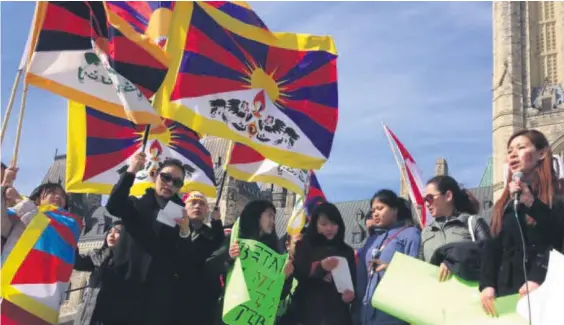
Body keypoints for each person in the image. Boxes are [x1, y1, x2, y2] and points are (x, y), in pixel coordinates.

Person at [105, 153, 198, 325]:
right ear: (155, 176)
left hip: (155, 303)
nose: (169, 184)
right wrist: (131, 170)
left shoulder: (179, 216)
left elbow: (184, 261)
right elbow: (114, 205)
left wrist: (185, 231)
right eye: (166, 177)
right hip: (123, 289)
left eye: (176, 182)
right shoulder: (136, 204)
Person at [480, 129, 564, 316]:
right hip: (508, 295)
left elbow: (557, 240)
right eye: (510, 151)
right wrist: (487, 285)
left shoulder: (557, 198)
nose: (513, 154)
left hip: (546, 294)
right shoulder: (505, 204)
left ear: (541, 153)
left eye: (521, 147)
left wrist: (538, 278)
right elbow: (492, 246)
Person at [207, 200, 293, 324]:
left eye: (274, 217)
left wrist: (287, 278)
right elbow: (210, 268)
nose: (273, 221)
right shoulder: (236, 241)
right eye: (269, 215)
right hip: (231, 315)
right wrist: (230, 259)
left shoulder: (276, 252)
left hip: (256, 318)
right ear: (256, 215)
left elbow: (278, 295)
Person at [281, 202, 356, 325]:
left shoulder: (346, 251)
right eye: (324, 224)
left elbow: (353, 281)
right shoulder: (305, 244)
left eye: (333, 223)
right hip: (305, 313)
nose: (329, 228)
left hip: (336, 315)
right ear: (315, 225)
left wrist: (350, 296)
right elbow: (299, 274)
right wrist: (320, 268)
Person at [353, 189, 420, 325]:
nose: (375, 213)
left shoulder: (410, 234)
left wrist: (391, 268)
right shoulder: (371, 240)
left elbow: (416, 273)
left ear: (394, 210)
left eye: (380, 208)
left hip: (394, 313)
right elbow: (361, 278)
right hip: (367, 314)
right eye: (373, 210)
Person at [420, 175, 490, 281]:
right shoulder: (425, 232)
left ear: (448, 196)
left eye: (429, 198)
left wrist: (455, 260)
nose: (426, 204)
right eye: (424, 200)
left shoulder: (473, 222)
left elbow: (491, 254)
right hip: (434, 294)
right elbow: (419, 268)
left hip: (470, 293)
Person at [174, 191, 225, 325]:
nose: (197, 206)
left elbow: (219, 249)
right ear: (185, 207)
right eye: (193, 203)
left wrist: (217, 222)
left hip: (202, 297)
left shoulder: (212, 233)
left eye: (202, 204)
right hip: (176, 293)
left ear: (207, 210)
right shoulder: (174, 229)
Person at [74, 221, 135, 325]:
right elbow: (76, 262)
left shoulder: (131, 261)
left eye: (117, 232)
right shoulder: (97, 255)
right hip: (88, 316)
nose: (111, 235)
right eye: (109, 231)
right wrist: (70, 238)